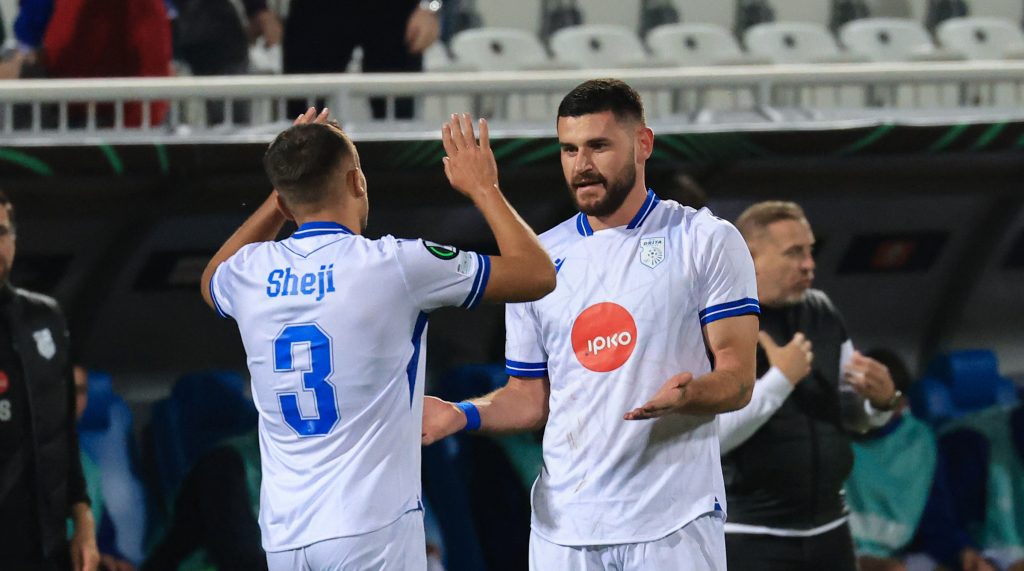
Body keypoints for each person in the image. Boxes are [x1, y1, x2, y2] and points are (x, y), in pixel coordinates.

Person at [422, 78, 761, 570]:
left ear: (643, 143)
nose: (581, 164)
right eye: (569, 149)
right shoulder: (539, 260)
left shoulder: (704, 239)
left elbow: (739, 379)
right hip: (564, 529)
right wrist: (461, 414)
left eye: (598, 146)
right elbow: (528, 399)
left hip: (673, 521)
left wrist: (691, 394)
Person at [199, 107, 555, 570]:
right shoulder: (395, 264)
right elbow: (537, 273)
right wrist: (484, 188)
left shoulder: (250, 271)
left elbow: (211, 280)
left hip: (285, 537)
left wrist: (284, 192)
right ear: (357, 182)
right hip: (371, 530)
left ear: (285, 203)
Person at [718, 200, 899, 571]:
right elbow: (713, 438)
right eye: (793, 253)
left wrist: (880, 404)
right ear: (750, 258)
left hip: (831, 530)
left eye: (810, 251)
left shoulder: (822, 312)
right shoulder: (719, 322)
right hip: (750, 537)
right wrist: (780, 380)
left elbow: (850, 414)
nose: (809, 264)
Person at [0, 190, 99, 570]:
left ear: (14, 239)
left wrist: (84, 523)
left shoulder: (44, 318)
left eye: (1, 232)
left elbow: (61, 433)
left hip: (45, 545)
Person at [845, 350, 994, 571]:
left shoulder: (919, 442)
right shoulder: (831, 438)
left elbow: (935, 519)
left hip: (897, 560)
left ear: (902, 403)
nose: (873, 409)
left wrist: (962, 553)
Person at [282, 0, 442, 118]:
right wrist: (265, 12)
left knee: (399, 115)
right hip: (316, 11)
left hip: (396, 14)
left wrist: (428, 6)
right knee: (301, 118)